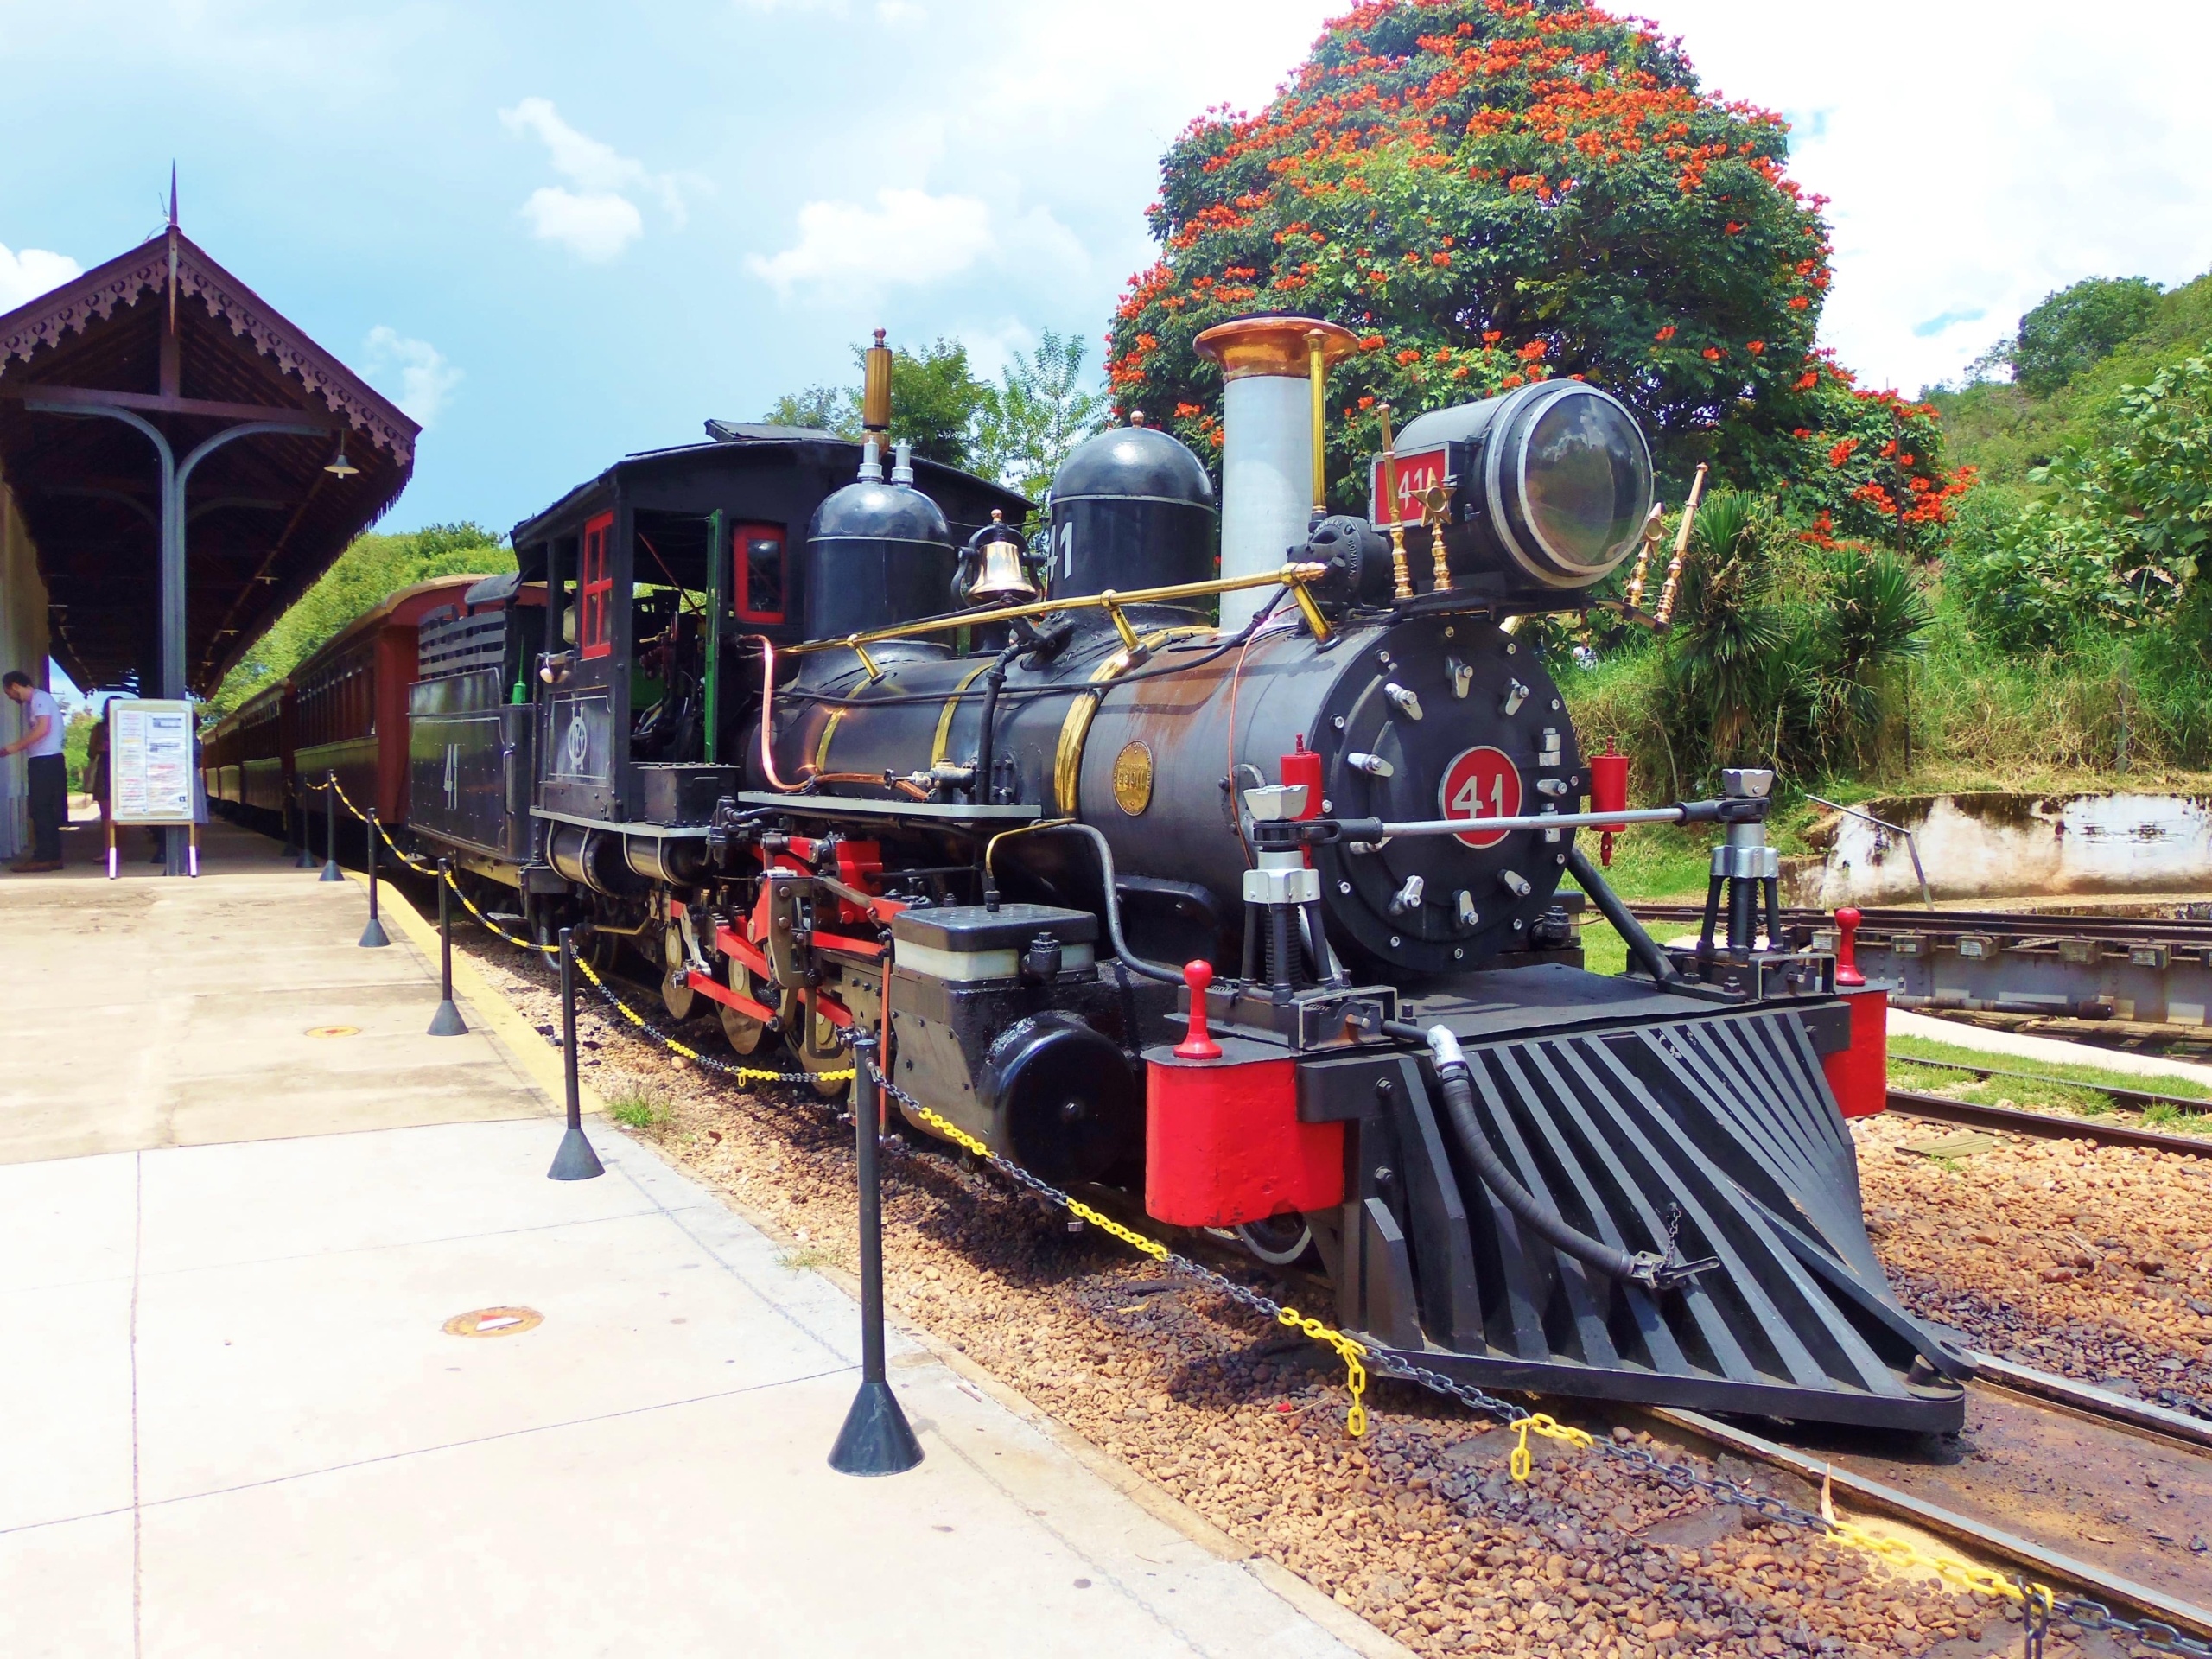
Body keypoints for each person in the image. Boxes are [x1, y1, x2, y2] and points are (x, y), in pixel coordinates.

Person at [2, 669, 66, 872]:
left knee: (40, 808)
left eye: (8, 693)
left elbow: (42, 729)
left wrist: (13, 747)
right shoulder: (39, 701)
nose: (11, 698)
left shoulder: (39, 699)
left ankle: (44, 857)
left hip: (45, 761)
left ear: (14, 686)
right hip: (47, 761)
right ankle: (52, 856)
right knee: (45, 809)